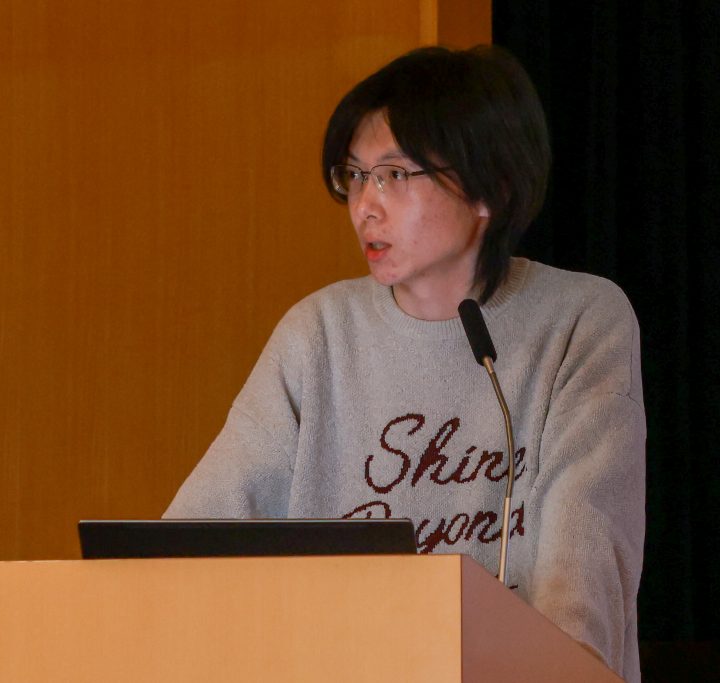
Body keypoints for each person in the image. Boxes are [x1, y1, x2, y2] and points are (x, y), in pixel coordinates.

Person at [165, 45, 645, 683]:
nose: (365, 205)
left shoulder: (579, 320)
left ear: (490, 188)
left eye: (393, 174)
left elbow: (582, 564)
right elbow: (191, 539)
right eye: (355, 175)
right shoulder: (319, 333)